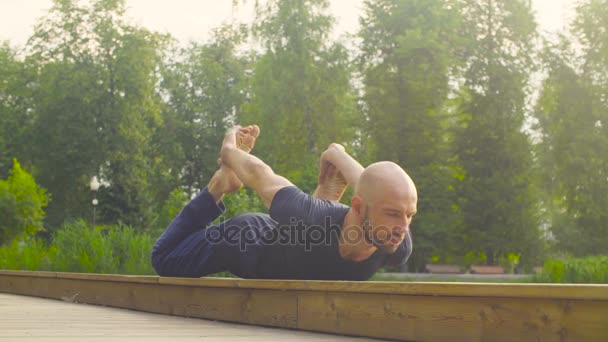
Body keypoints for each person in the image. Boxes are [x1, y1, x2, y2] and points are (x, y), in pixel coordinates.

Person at [151, 125, 417, 280]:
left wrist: (338, 155)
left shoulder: (396, 243)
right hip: (251, 242)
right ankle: (218, 186)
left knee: (311, 235)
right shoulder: (304, 212)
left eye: (409, 215)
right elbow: (260, 175)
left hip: (302, 247)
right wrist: (229, 151)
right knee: (163, 259)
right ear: (358, 206)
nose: (402, 226)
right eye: (394, 214)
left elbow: (374, 187)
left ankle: (326, 190)